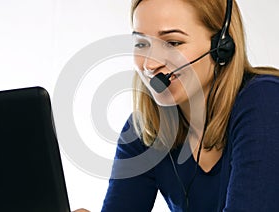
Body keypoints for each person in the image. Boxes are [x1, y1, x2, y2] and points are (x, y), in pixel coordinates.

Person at [77, 0, 279, 211]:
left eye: (173, 43)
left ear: (222, 45)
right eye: (141, 44)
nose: (150, 65)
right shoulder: (145, 129)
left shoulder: (266, 100)